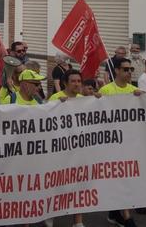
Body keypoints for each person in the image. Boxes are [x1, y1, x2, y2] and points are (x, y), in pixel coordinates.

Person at [98, 58, 142, 227]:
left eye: (131, 69)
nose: (130, 72)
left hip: (129, 143)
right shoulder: (106, 90)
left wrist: (143, 97)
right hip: (111, 143)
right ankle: (127, 217)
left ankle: (115, 213)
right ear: (116, 71)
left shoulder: (135, 90)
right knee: (118, 178)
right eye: (125, 69)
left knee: (125, 179)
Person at [48, 69, 85, 227]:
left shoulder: (84, 99)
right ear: (65, 83)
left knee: (78, 184)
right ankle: (50, 213)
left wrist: (98, 101)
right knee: (56, 183)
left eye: (79, 81)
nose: (77, 84)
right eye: (73, 81)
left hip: (78, 149)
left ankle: (78, 221)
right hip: (59, 149)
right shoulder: (55, 98)